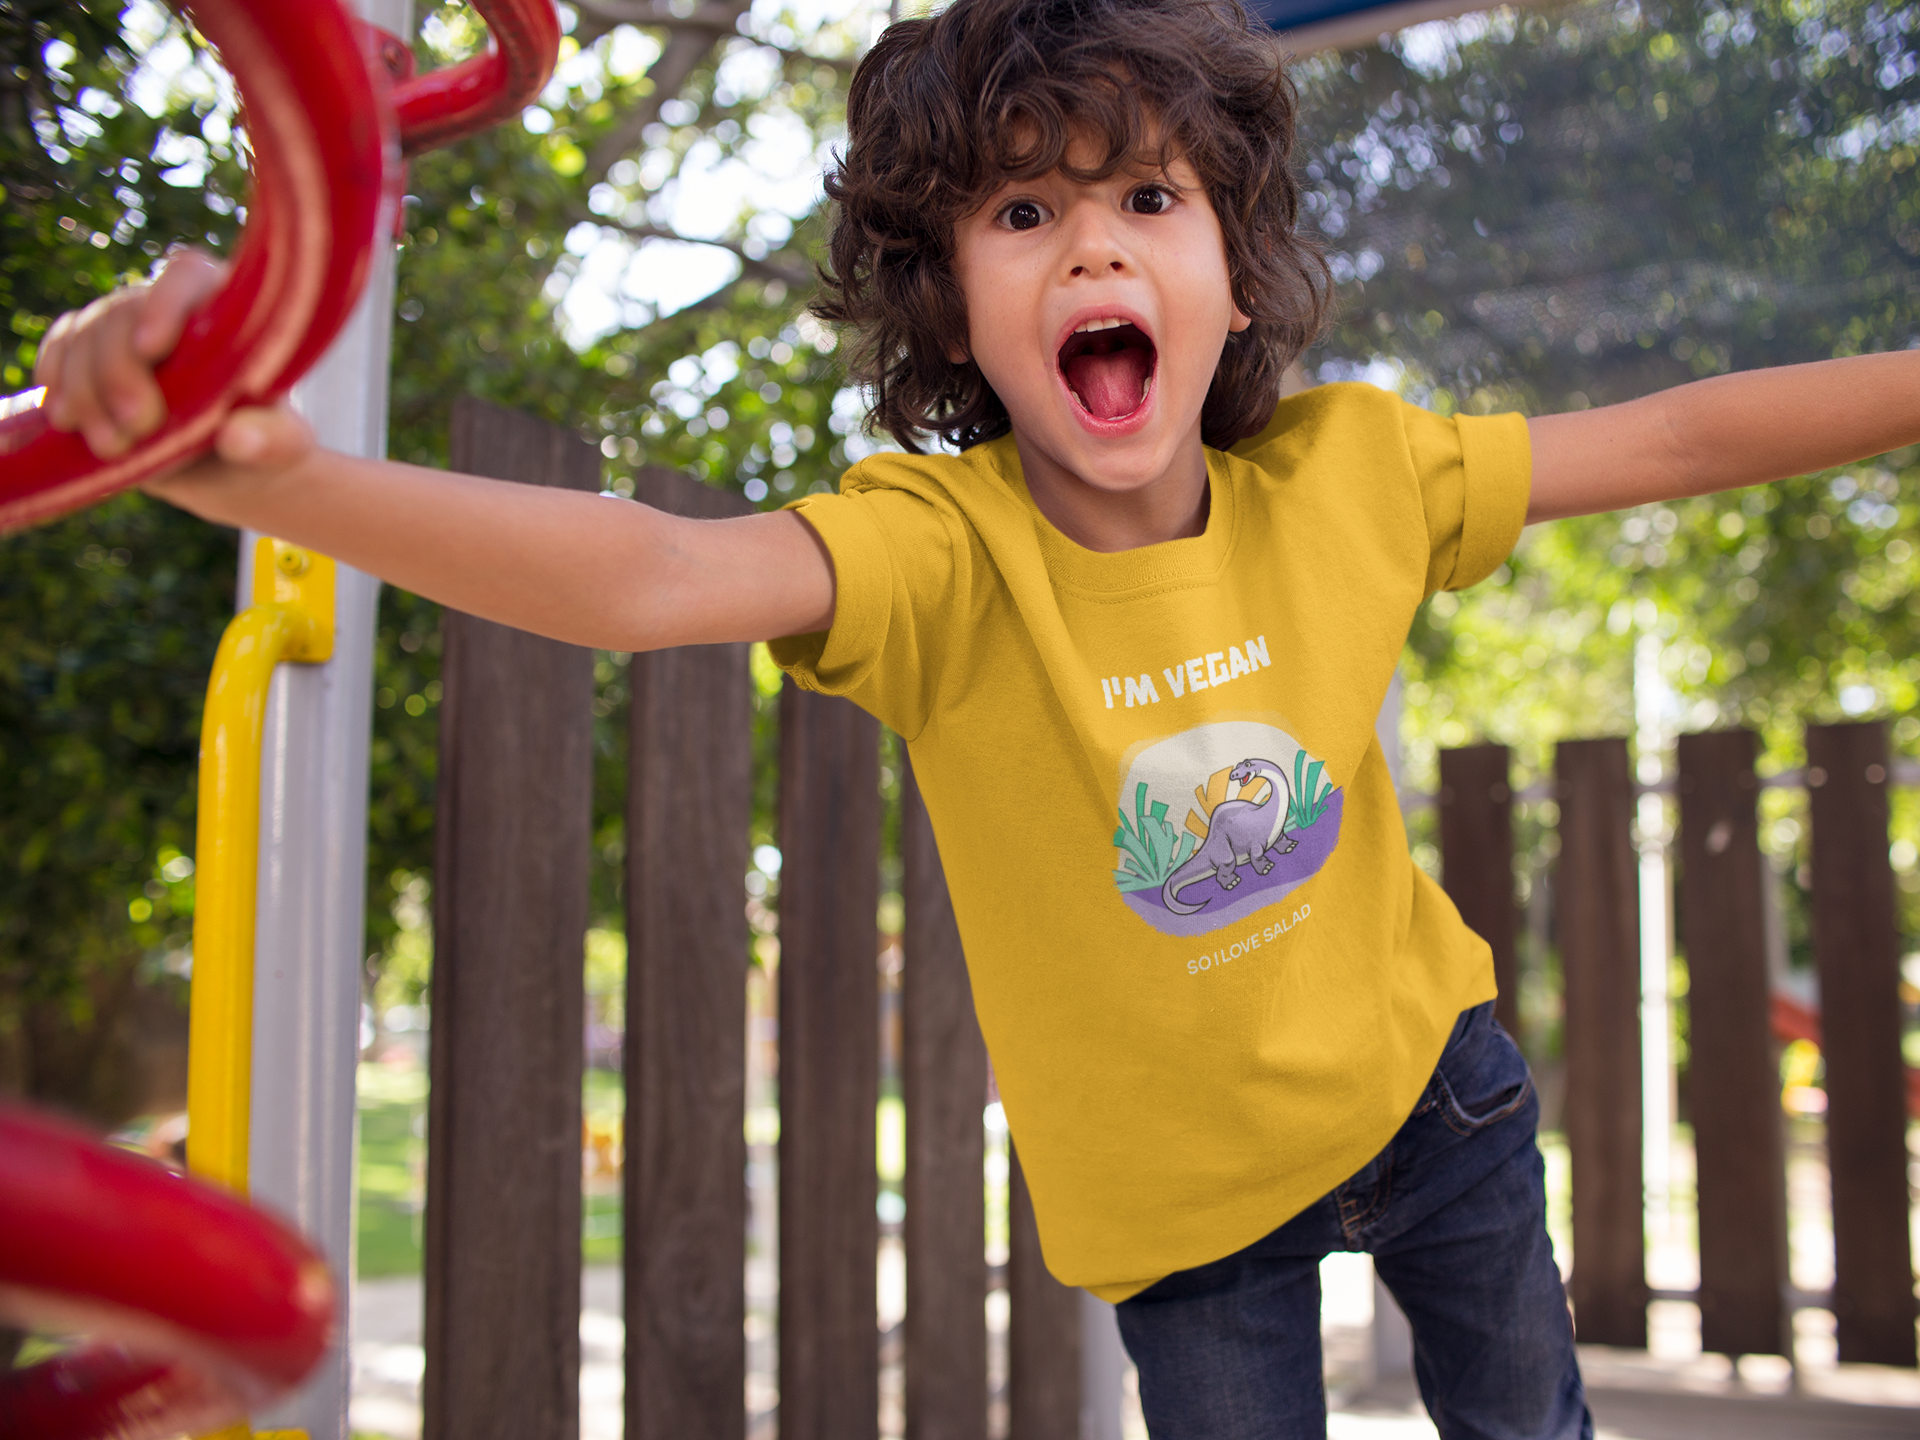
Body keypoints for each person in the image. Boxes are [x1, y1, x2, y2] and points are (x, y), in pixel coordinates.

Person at [34, 0, 1920, 1432]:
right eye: (1027, 209)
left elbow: (1678, 433)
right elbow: (645, 578)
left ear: (1228, 275)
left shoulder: (1357, 473)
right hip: (1190, 1222)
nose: (1096, 250)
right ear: (951, 309)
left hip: (1435, 1103)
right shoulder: (936, 552)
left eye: (1148, 200)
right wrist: (267, 478)